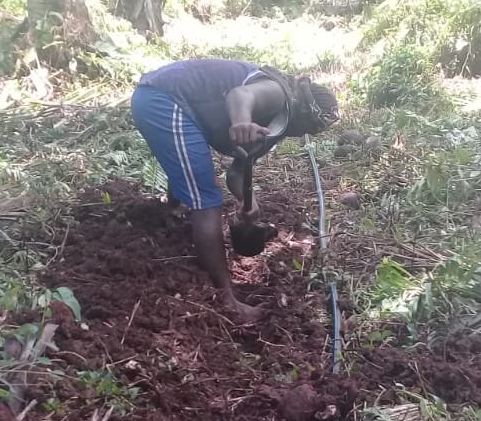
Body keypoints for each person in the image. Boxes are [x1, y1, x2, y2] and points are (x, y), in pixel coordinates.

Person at [130, 59, 339, 323]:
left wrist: (247, 199)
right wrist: (241, 121)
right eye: (313, 127)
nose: (308, 133)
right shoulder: (279, 93)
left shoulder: (277, 125)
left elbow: (237, 173)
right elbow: (240, 94)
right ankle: (226, 298)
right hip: (162, 98)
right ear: (307, 112)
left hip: (173, 103)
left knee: (193, 169)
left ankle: (172, 207)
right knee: (207, 201)